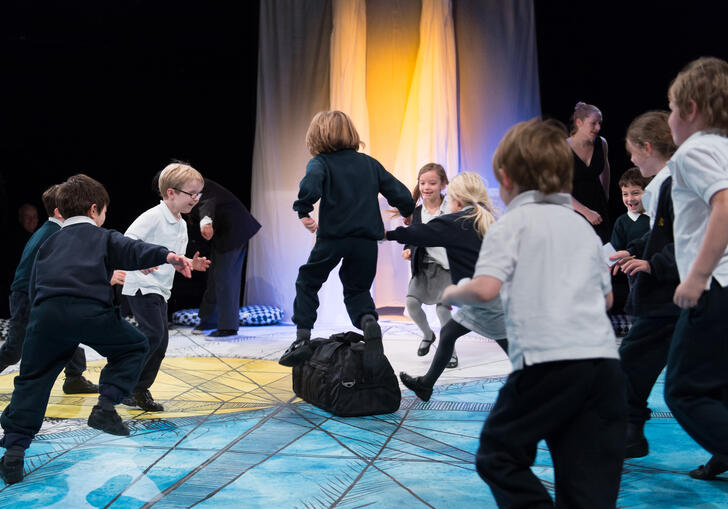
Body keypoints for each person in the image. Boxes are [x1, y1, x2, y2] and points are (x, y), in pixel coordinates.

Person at [441, 119, 626, 507]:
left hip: (549, 366)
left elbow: (487, 289)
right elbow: (607, 301)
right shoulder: (581, 229)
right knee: (587, 486)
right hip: (605, 368)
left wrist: (454, 290)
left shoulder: (510, 226)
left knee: (499, 454)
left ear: (505, 180)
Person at [0, 174, 193, 485]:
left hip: (46, 317)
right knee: (133, 346)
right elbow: (133, 248)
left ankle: (13, 453)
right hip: (90, 313)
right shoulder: (103, 237)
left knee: (32, 381)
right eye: (105, 211)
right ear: (94, 210)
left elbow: (34, 286)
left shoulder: (48, 243)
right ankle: (105, 406)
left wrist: (39, 322)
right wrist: (168, 255)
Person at [279, 110, 415, 366]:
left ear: (316, 136)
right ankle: (369, 322)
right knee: (358, 289)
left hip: (334, 238)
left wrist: (303, 209)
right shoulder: (369, 163)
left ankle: (302, 339)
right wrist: (408, 211)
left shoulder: (321, 163)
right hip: (365, 241)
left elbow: (311, 184)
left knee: (308, 281)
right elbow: (398, 190)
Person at [662, 56, 728, 481]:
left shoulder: (696, 150)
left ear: (689, 110)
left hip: (716, 284)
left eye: (671, 108)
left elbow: (725, 203)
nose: (668, 118)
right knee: (719, 381)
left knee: (683, 389)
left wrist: (698, 276)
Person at [388, 172, 508, 397]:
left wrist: (386, 234)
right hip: (487, 296)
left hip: (487, 300)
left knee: (512, 348)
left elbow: (422, 232)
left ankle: (541, 387)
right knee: (450, 332)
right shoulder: (484, 218)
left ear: (458, 201)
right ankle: (426, 384)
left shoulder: (457, 222)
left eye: (449, 198)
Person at [608, 111, 679, 459]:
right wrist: (635, 250)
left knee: (679, 385)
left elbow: (685, 239)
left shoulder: (670, 182)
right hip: (667, 296)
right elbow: (661, 236)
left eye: (633, 152)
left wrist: (652, 262)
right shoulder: (665, 182)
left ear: (647, 147)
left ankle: (630, 435)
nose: (633, 160)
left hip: (669, 297)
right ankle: (630, 434)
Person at [121, 163, 210, 411]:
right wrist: (139, 263)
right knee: (153, 334)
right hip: (143, 285)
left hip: (161, 288)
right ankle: (125, 385)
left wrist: (191, 263)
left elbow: (175, 257)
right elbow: (127, 241)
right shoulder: (153, 216)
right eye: (191, 194)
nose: (195, 199)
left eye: (198, 194)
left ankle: (138, 389)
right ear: (171, 192)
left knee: (160, 342)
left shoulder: (181, 223)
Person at [0, 184, 99, 395]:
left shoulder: (50, 230)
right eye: (70, 204)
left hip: (35, 294)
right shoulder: (54, 233)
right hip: (27, 296)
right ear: (58, 210)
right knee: (14, 350)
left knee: (66, 332)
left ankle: (74, 377)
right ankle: (74, 377)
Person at [190, 177, 261, 337]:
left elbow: (206, 203)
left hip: (234, 230)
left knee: (225, 276)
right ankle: (210, 320)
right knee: (215, 275)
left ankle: (228, 326)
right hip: (223, 232)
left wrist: (206, 223)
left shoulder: (197, 185)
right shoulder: (191, 186)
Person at [400, 163, 452, 360]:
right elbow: (412, 237)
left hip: (446, 267)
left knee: (443, 309)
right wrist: (407, 249)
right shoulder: (417, 212)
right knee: (412, 303)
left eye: (432, 182)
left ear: (443, 184)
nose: (426, 187)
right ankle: (428, 335)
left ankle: (449, 351)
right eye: (422, 183)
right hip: (423, 268)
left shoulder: (451, 207)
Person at [568, 101, 612, 243]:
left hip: (598, 207)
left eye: (600, 123)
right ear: (579, 122)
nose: (598, 128)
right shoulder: (562, 149)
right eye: (593, 123)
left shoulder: (602, 143)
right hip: (573, 210)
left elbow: (605, 171)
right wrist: (586, 212)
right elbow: (558, 190)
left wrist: (605, 196)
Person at [610, 167, 651, 251]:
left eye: (635, 193)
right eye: (625, 194)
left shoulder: (659, 216)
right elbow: (616, 251)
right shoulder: (621, 222)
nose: (630, 199)